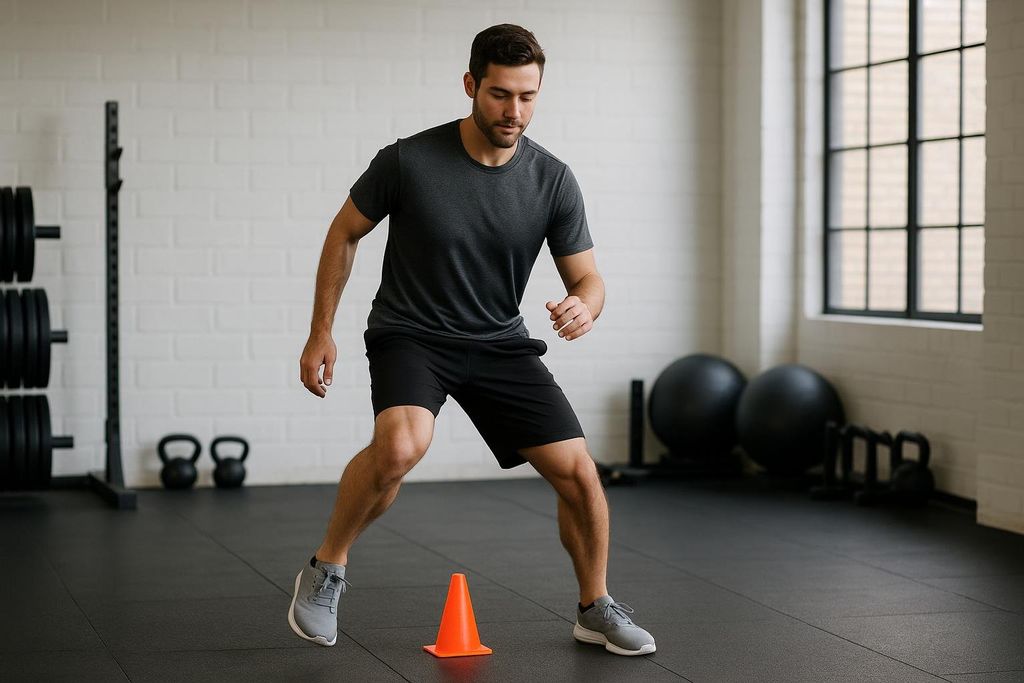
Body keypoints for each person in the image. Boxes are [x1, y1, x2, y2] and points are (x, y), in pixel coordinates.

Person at [289, 24, 656, 657]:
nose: (514, 111)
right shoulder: (407, 160)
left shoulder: (552, 179)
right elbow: (343, 233)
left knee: (580, 475)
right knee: (402, 446)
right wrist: (320, 332)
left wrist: (583, 306)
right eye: (499, 95)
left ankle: (594, 607)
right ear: (470, 86)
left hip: (499, 343)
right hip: (412, 334)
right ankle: (327, 568)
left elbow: (589, 276)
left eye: (528, 96)